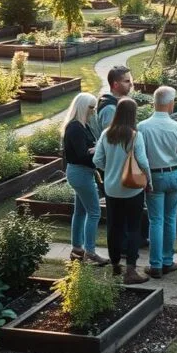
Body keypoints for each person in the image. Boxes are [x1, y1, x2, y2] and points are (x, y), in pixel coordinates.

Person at [93, 98, 152, 284]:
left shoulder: (106, 134)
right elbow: (142, 161)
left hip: (111, 189)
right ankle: (131, 270)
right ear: (133, 114)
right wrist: (148, 180)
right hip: (132, 189)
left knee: (114, 227)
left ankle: (115, 266)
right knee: (133, 228)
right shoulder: (135, 135)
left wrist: (109, 170)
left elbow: (97, 160)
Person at [138, 86, 177, 278]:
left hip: (154, 176)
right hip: (175, 175)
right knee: (170, 218)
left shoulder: (143, 126)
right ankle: (167, 261)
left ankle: (156, 265)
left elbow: (139, 155)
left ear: (154, 103)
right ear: (170, 103)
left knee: (156, 220)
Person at [61, 92, 109, 265]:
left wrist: (93, 149)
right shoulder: (75, 128)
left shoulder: (83, 126)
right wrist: (96, 150)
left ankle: (77, 249)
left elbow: (87, 149)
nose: (93, 111)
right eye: (91, 108)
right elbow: (82, 154)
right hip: (80, 172)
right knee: (94, 212)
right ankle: (90, 252)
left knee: (80, 211)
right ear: (82, 107)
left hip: (80, 172)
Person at [93, 65, 133, 137]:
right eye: (127, 81)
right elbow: (111, 139)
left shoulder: (114, 102)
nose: (131, 84)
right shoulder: (110, 109)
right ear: (115, 85)